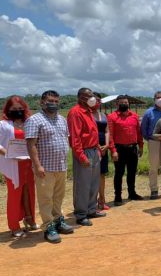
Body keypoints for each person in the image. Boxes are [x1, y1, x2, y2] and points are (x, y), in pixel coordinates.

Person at [25, 90, 74, 243]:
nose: (53, 104)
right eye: (50, 101)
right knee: (46, 198)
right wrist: (37, 165)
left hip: (61, 166)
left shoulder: (62, 119)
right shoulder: (34, 120)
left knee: (58, 196)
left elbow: (65, 140)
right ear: (42, 102)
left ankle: (58, 220)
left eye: (55, 101)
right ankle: (48, 227)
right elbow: (31, 144)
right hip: (45, 167)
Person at [0, 96, 37, 238]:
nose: (18, 111)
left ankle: (30, 219)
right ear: (8, 109)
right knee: (15, 195)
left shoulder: (28, 123)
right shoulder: (3, 125)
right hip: (13, 164)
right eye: (14, 109)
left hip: (28, 163)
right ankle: (14, 226)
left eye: (20, 108)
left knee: (30, 192)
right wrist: (8, 154)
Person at [67, 88, 105, 226]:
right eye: (88, 96)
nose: (91, 98)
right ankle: (81, 214)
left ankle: (91, 209)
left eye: (92, 96)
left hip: (94, 150)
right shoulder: (76, 112)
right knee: (82, 184)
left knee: (94, 182)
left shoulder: (89, 111)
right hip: (83, 151)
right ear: (80, 97)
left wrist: (98, 150)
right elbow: (75, 137)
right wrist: (81, 156)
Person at [108, 95, 144, 206]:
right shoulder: (112, 117)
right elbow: (110, 136)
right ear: (117, 104)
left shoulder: (134, 116)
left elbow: (138, 132)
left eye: (126, 102)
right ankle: (118, 196)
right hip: (119, 149)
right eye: (122, 102)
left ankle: (132, 193)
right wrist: (113, 150)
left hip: (132, 148)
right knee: (119, 173)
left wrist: (141, 146)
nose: (124, 104)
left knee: (132, 172)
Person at [141, 91, 161, 199]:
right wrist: (150, 139)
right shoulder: (149, 112)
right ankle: (154, 189)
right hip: (154, 142)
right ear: (154, 99)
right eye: (158, 97)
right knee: (154, 167)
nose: (160, 99)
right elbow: (143, 129)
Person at [92, 92, 110, 210]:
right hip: (92, 147)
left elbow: (107, 130)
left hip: (104, 148)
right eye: (95, 100)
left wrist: (107, 145)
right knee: (92, 175)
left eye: (99, 100)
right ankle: (91, 202)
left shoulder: (103, 115)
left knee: (101, 175)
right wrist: (97, 145)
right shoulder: (87, 115)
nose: (98, 102)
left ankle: (101, 200)